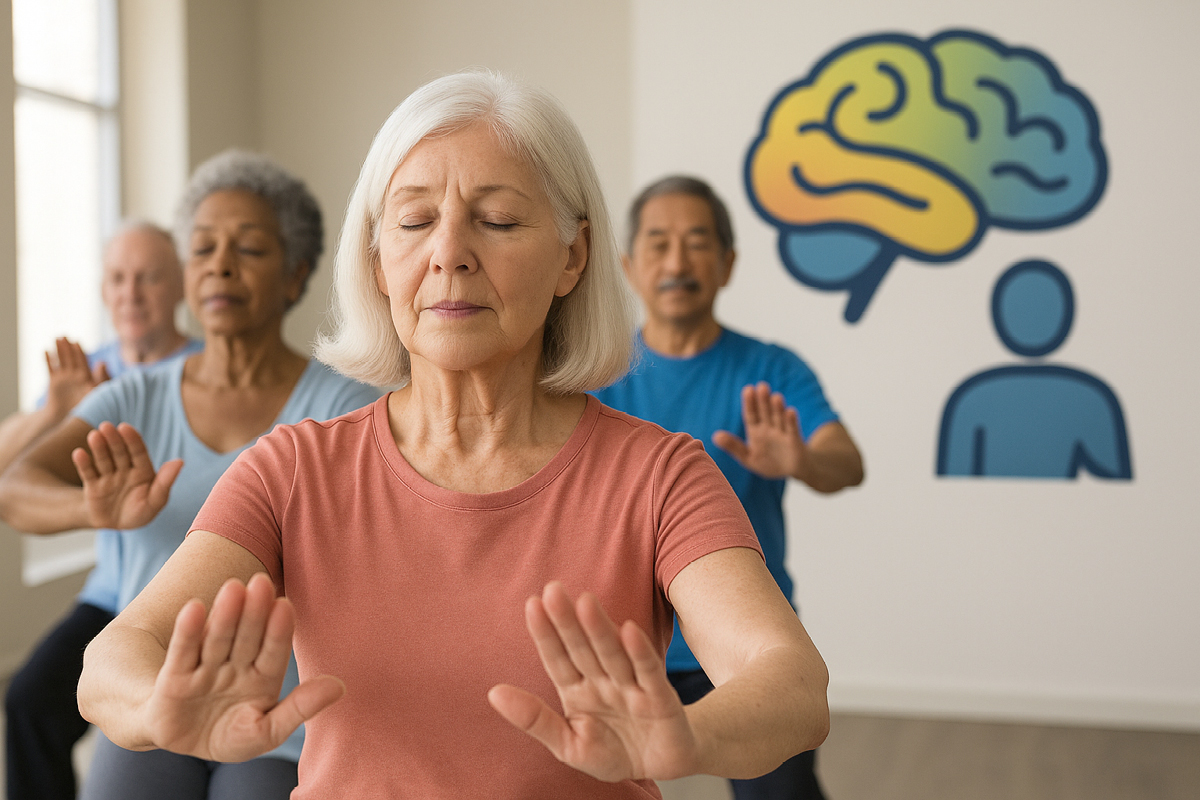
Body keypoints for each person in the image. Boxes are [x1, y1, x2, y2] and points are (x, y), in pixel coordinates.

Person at [69, 71, 830, 799]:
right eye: (414, 220)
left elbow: (791, 682)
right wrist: (154, 707)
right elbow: (113, 658)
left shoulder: (660, 475)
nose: (449, 253)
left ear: (574, 256)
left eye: (497, 221)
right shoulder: (292, 470)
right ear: (378, 261)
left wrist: (687, 738)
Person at [0, 150, 381, 800]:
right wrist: (92, 510)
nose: (220, 264)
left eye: (250, 248)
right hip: (153, 696)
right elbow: (15, 488)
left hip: (279, 712)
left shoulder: (345, 407)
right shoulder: (135, 396)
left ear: (294, 277)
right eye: (203, 248)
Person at [594, 175, 864, 800]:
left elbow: (845, 462)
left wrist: (800, 460)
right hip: (625, 649)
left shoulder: (771, 370)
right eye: (659, 244)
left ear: (728, 263)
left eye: (697, 243)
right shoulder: (597, 380)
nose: (678, 262)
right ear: (629, 267)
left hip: (747, 653)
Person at [0, 221, 201, 800]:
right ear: (102, 289)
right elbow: (10, 473)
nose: (130, 293)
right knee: (30, 703)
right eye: (117, 278)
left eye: (148, 277)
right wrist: (53, 415)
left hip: (184, 593)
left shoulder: (211, 368)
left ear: (180, 286)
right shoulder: (91, 375)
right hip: (113, 593)